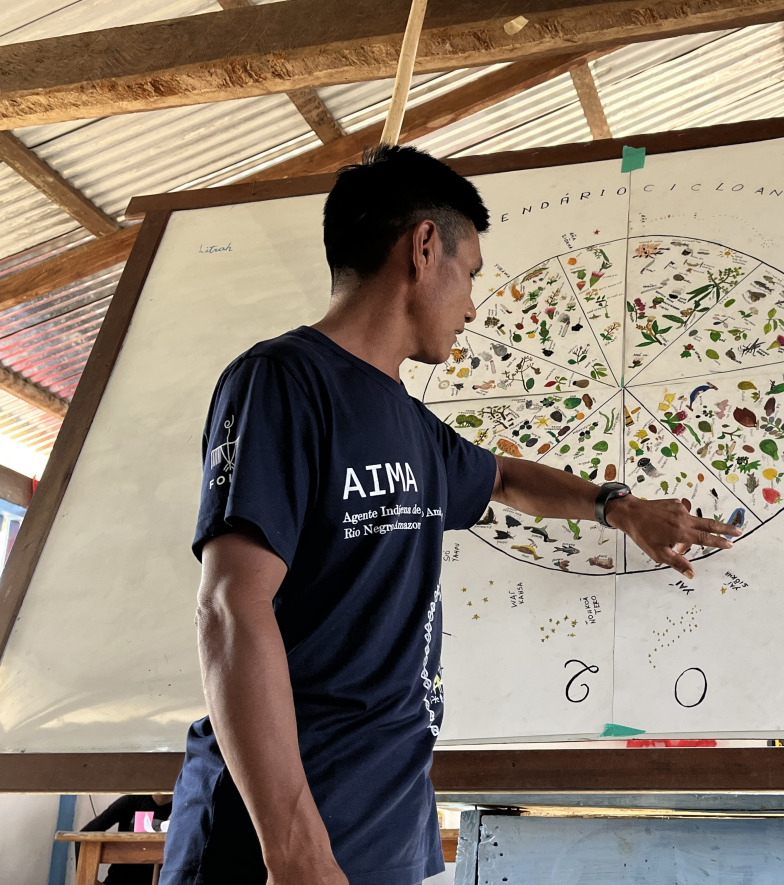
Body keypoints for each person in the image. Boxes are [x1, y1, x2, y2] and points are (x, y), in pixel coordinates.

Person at [160, 145, 741, 885]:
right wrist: (296, 849)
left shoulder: (414, 428)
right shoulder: (283, 382)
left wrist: (617, 508)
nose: (472, 307)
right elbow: (230, 604)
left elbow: (504, 478)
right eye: (470, 274)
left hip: (387, 825)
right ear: (424, 248)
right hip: (279, 841)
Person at [79, 793, 172, 885]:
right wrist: (89, 880)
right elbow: (85, 834)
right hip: (118, 880)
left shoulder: (178, 810)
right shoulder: (132, 801)